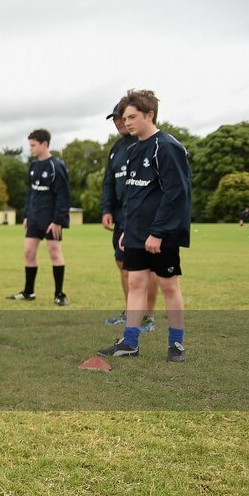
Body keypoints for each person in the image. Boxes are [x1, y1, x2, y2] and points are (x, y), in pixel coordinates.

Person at [99, 89, 191, 362]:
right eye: (124, 117)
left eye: (132, 116)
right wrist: (128, 228)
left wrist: (158, 232)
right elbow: (134, 194)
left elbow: (176, 195)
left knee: (168, 286)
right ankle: (130, 342)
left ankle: (177, 344)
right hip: (137, 232)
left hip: (162, 234)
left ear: (149, 115)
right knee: (136, 282)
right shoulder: (133, 149)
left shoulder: (168, 146)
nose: (126, 122)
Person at [100, 99, 157, 330]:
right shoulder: (116, 149)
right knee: (123, 264)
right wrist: (106, 209)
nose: (119, 122)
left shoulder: (149, 143)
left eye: (123, 117)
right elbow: (108, 182)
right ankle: (131, 312)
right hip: (123, 217)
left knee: (148, 268)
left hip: (146, 216)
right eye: (115, 118)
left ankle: (148, 317)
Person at [7, 129, 70, 305]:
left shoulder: (56, 166)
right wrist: (27, 215)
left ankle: (59, 294)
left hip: (51, 221)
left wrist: (58, 221)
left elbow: (63, 196)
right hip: (34, 218)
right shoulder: (34, 166)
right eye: (30, 145)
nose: (31, 148)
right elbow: (30, 193)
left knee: (55, 253)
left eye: (33, 145)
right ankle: (29, 292)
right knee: (28, 252)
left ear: (44, 144)